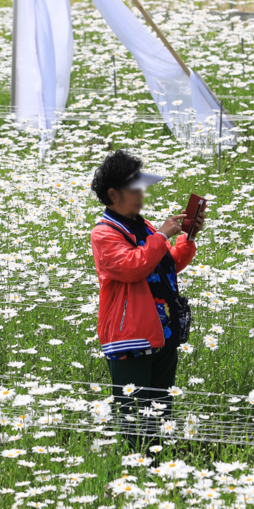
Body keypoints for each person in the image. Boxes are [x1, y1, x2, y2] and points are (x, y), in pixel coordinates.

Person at [89, 150, 204, 452]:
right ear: (113, 194)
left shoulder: (145, 226)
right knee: (132, 406)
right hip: (132, 334)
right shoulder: (104, 233)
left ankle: (157, 457)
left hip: (162, 329)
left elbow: (166, 265)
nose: (142, 194)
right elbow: (132, 267)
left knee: (160, 401)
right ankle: (134, 461)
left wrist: (186, 238)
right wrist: (163, 235)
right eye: (134, 188)